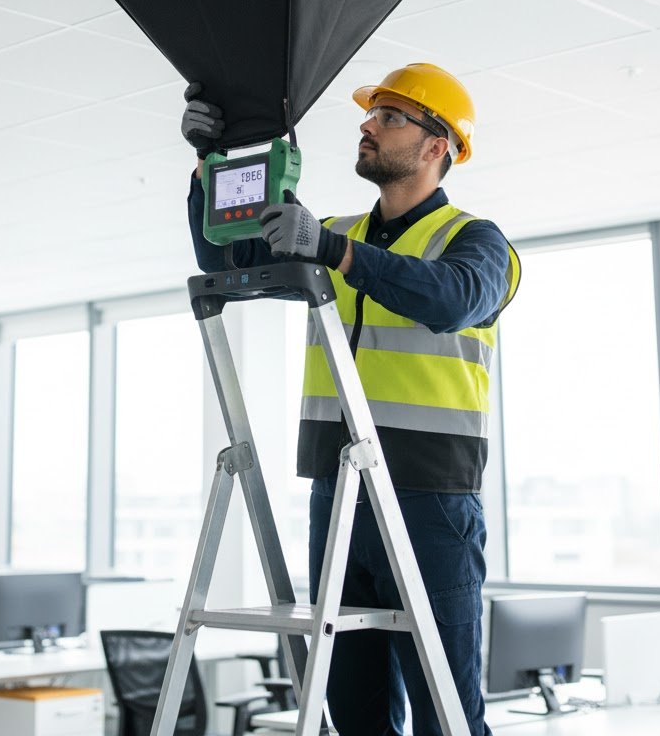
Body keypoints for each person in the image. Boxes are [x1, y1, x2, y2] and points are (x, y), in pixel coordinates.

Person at [181, 64, 521, 736]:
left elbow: (450, 299)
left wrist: (332, 250)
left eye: (390, 117)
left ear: (436, 147)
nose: (367, 125)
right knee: (354, 711)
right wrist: (206, 168)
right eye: (372, 115)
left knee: (444, 715)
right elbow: (229, 258)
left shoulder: (477, 243)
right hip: (336, 497)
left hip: (429, 501)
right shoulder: (335, 233)